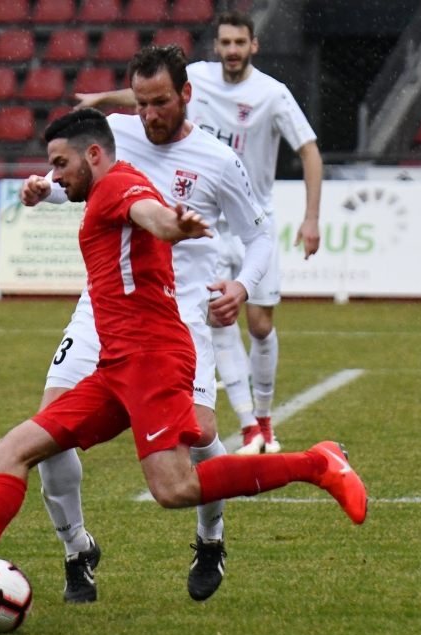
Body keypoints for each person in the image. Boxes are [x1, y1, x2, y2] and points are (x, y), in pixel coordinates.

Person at [0, 109, 366, 617]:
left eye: (60, 164)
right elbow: (141, 211)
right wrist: (142, 214)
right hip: (116, 364)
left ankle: (318, 464)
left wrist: (173, 225)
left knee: (174, 487)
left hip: (152, 358)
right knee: (13, 449)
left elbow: (150, 215)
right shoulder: (104, 186)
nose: (55, 175)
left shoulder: (118, 185)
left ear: (93, 155)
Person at [25, 45, 273, 604]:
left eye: (160, 102)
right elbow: (75, 164)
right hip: (103, 308)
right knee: (50, 429)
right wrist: (42, 185)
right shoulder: (117, 130)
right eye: (140, 103)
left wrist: (241, 286)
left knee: (202, 435)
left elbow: (259, 235)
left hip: (178, 317)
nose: (148, 115)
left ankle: (210, 537)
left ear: (186, 95)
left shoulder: (216, 159)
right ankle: (76, 549)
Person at [75, 11, 324, 454]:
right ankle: (250, 426)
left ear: (252, 46)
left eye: (238, 43)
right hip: (182, 254)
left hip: (245, 212)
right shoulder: (188, 81)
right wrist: (100, 100)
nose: (231, 50)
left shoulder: (272, 95)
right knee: (220, 325)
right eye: (224, 42)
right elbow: (144, 93)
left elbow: (308, 149)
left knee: (260, 326)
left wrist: (310, 217)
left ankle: (264, 419)